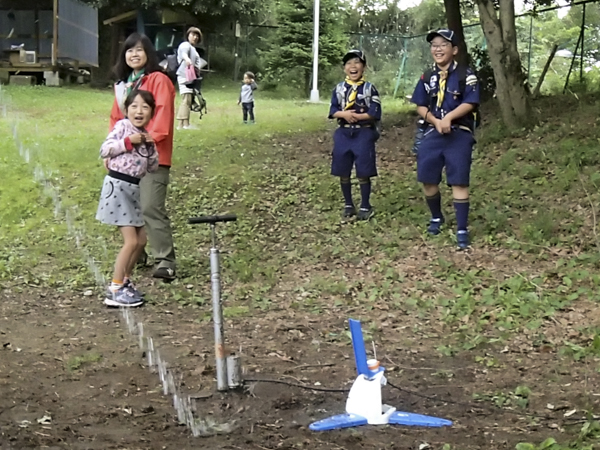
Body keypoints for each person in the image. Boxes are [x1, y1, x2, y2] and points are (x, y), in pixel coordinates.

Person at [110, 32, 177, 280]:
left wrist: (145, 140)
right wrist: (114, 148)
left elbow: (162, 117)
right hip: (126, 158)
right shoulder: (123, 85)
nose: (134, 54)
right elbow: (116, 120)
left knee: (150, 207)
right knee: (130, 209)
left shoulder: (158, 79)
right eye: (129, 50)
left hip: (152, 156)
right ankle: (139, 254)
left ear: (148, 53)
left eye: (139, 49)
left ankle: (166, 260)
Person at [410, 29, 479, 249]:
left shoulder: (465, 75)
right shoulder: (426, 77)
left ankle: (461, 228)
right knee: (428, 178)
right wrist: (435, 121)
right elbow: (420, 105)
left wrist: (448, 118)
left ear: (455, 50)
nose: (438, 49)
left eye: (443, 45)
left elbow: (471, 102)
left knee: (459, 179)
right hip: (433, 131)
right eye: (434, 45)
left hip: (459, 133)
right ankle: (436, 217)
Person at [97, 90, 159, 307]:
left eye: (144, 107)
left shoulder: (147, 136)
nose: (139, 111)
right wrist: (128, 141)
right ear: (126, 110)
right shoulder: (123, 127)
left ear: (151, 112)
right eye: (134, 106)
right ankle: (114, 289)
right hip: (117, 187)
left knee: (141, 241)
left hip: (133, 190)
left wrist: (151, 147)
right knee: (131, 240)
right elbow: (105, 150)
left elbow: (152, 167)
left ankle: (124, 281)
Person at [328, 49, 381, 221]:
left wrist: (358, 117)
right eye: (349, 63)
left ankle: (365, 205)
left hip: (363, 132)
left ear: (364, 67)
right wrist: (344, 115)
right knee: (343, 169)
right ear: (344, 68)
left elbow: (375, 111)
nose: (353, 66)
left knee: (363, 170)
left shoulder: (369, 88)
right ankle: (348, 204)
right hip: (343, 132)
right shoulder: (339, 89)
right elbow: (333, 110)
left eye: (357, 62)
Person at [176, 27, 203, 130]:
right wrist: (187, 59)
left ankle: (185, 123)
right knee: (186, 99)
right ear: (188, 35)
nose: (195, 37)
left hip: (190, 76)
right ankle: (182, 125)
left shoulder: (193, 48)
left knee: (188, 99)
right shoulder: (185, 45)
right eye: (193, 35)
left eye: (197, 36)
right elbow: (184, 54)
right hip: (184, 75)